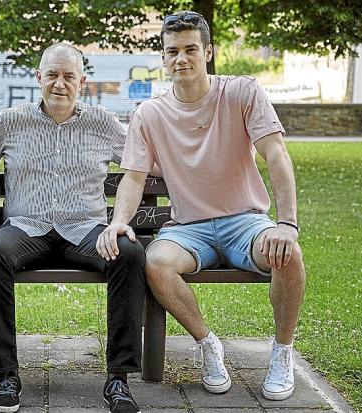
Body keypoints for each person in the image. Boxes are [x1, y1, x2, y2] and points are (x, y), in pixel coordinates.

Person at [97, 11, 306, 402]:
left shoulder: (242, 93)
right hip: (188, 227)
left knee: (288, 254)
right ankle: (208, 345)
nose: (182, 59)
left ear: (208, 51)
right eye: (172, 51)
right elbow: (134, 178)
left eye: (191, 49)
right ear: (163, 58)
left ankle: (282, 352)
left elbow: (275, 154)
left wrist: (287, 223)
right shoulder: (150, 113)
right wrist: (119, 222)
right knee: (155, 262)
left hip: (245, 222)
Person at [0, 43, 145, 413]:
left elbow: (142, 160)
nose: (60, 83)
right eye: (52, 74)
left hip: (86, 231)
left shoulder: (102, 122)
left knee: (128, 253)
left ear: (82, 81)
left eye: (69, 76)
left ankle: (118, 377)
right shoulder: (11, 120)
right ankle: (7, 375)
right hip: (25, 229)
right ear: (39, 77)